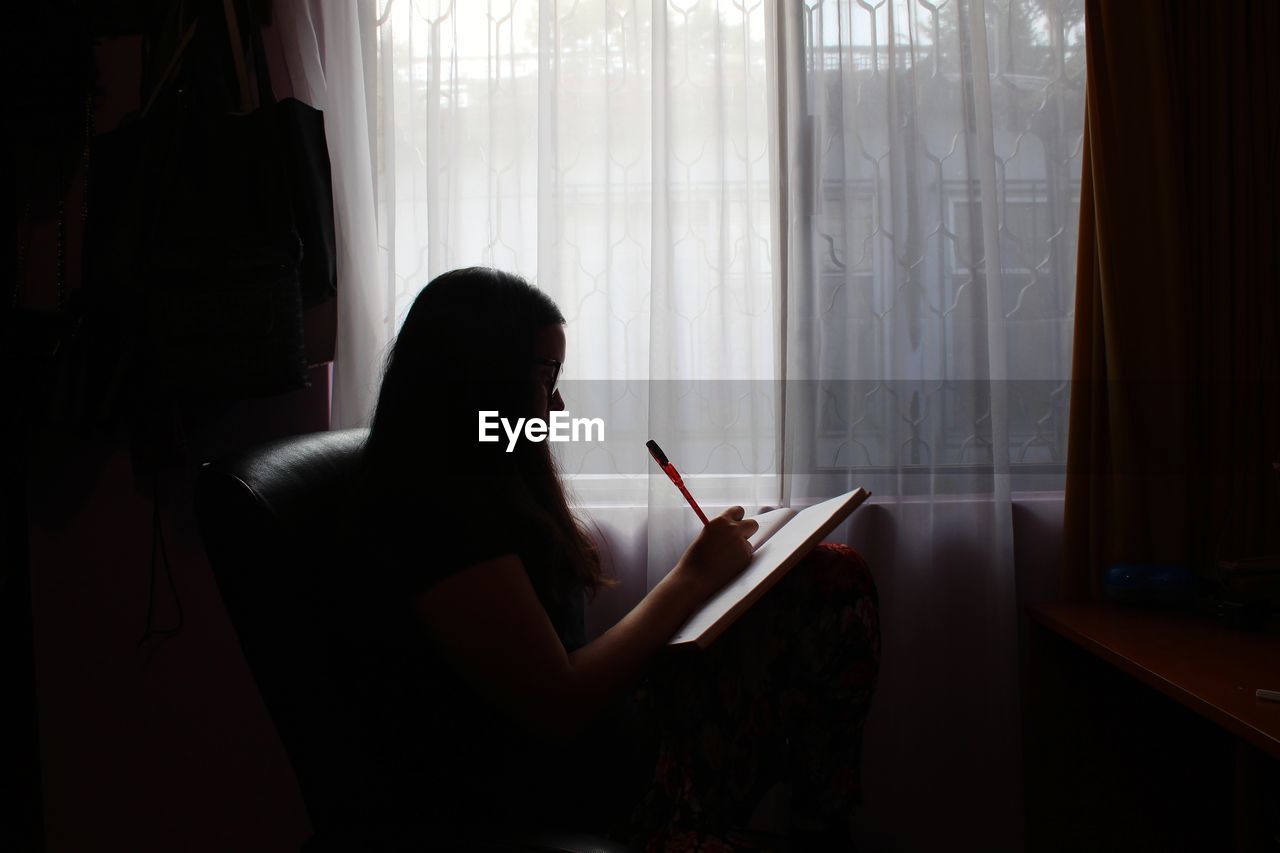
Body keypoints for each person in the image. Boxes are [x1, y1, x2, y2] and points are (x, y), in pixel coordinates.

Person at [348, 267, 879, 851]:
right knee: (830, 588)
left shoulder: (488, 487)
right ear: (483, 380)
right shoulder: (436, 516)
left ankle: (821, 825)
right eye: (547, 375)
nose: (558, 401)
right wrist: (694, 576)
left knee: (829, 574)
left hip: (614, 736)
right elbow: (560, 703)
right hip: (568, 782)